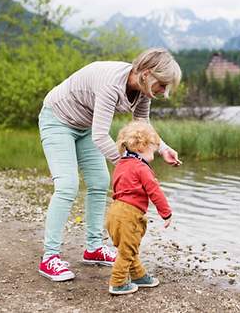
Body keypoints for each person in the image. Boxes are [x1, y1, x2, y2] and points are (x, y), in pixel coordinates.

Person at [37, 48, 182, 282]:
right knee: (67, 185)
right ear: (147, 73)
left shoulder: (143, 92)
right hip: (58, 119)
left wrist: (163, 148)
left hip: (85, 126)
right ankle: (50, 257)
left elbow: (143, 127)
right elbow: (101, 136)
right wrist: (128, 165)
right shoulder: (111, 84)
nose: (164, 91)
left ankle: (93, 248)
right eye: (162, 84)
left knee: (100, 182)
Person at [106, 121, 172, 295]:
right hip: (130, 214)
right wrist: (166, 213)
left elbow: (117, 186)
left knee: (128, 247)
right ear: (142, 146)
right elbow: (155, 191)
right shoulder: (142, 167)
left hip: (114, 212)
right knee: (126, 251)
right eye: (153, 147)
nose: (155, 151)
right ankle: (118, 282)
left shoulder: (121, 164)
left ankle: (138, 276)